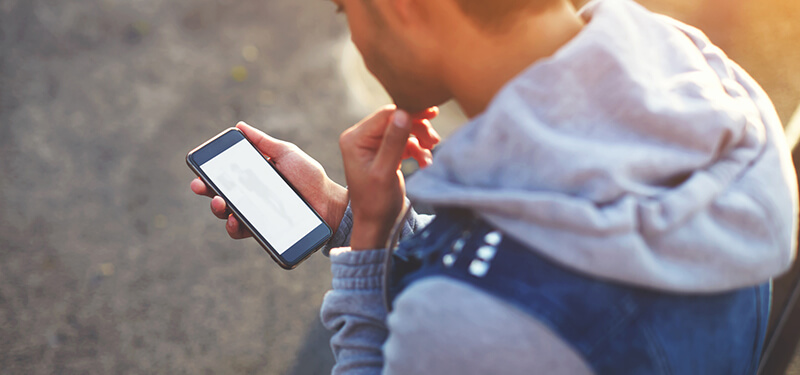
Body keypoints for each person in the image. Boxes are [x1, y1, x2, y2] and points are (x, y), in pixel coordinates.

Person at [191, 0, 799, 373]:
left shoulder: (470, 325)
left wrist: (369, 249)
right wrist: (347, 212)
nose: (354, 34)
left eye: (346, 9)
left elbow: (494, 307)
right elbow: (551, 250)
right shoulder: (711, 86)